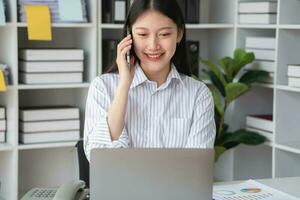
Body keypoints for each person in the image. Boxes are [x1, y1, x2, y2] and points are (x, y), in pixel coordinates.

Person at [84, 0, 216, 161]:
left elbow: (197, 165)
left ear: (179, 34)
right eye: (143, 35)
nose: (153, 45)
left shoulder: (198, 94)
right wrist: (124, 85)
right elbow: (100, 159)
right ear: (129, 35)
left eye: (164, 34)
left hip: (175, 186)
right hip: (120, 186)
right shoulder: (103, 87)